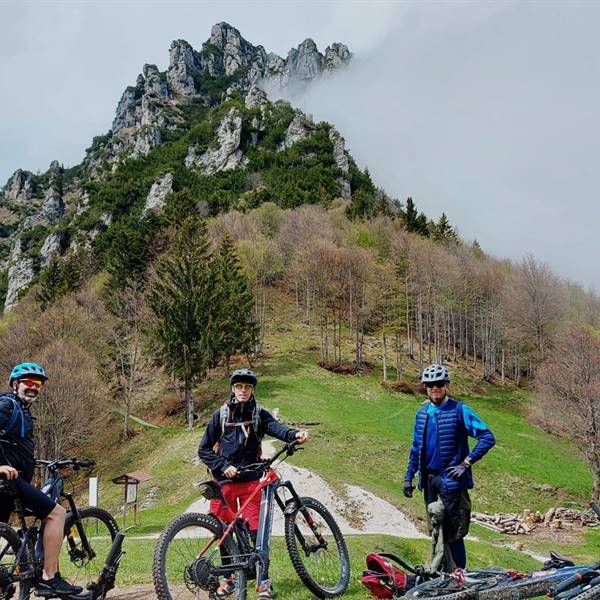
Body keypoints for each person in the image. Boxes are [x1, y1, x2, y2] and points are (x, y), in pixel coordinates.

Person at [199, 368, 308, 599]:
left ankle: (263, 582)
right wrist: (222, 465)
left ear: (252, 390)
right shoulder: (221, 415)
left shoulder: (259, 414)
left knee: (256, 533)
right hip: (225, 482)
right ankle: (229, 580)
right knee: (224, 534)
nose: (243, 391)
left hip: (251, 481)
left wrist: (294, 434)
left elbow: (276, 428)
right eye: (239, 386)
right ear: (232, 389)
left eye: (247, 387)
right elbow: (204, 450)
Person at [0, 362, 83, 597]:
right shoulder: (7, 406)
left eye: (38, 384)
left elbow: (13, 447)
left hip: (9, 484)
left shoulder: (22, 412)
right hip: (8, 482)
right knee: (56, 513)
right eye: (28, 382)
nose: (34, 387)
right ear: (15, 384)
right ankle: (49, 578)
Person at [403, 364, 495, 569]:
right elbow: (416, 449)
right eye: (430, 385)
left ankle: (459, 578)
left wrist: (466, 463)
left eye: (439, 384)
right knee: (436, 530)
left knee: (455, 533)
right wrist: (409, 477)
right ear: (425, 387)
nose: (434, 388)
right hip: (429, 481)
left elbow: (487, 437)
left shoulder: (459, 410)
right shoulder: (422, 413)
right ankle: (442, 576)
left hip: (452, 483)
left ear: (446, 385)